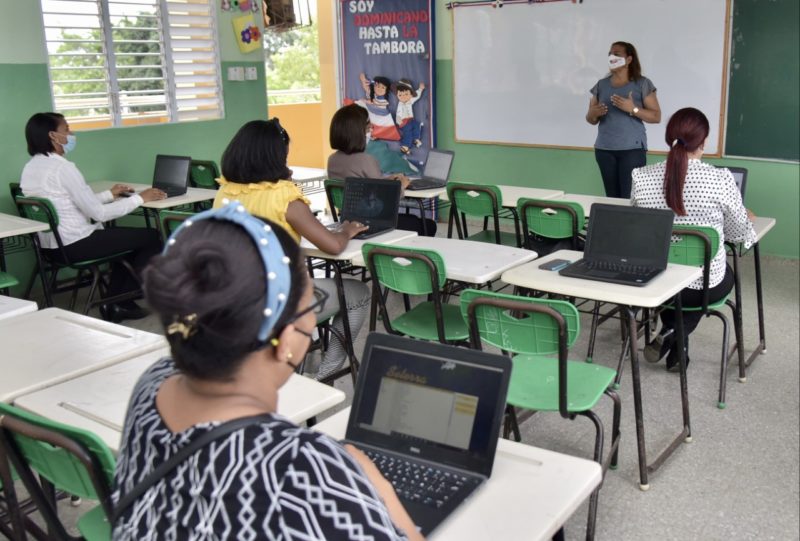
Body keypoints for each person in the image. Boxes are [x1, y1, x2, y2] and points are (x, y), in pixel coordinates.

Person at [112, 204, 423, 540]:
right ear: (286, 340)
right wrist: (377, 488)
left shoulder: (154, 381)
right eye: (313, 303)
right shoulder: (304, 469)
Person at [213, 119, 370, 381]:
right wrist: (346, 231)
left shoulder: (225, 191)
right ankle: (326, 372)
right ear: (277, 155)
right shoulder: (284, 197)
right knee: (358, 292)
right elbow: (332, 247)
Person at [632, 107, 756, 371]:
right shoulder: (720, 179)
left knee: (675, 282)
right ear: (703, 142)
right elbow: (738, 235)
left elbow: (638, 227)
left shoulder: (641, 177)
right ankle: (673, 334)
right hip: (702, 288)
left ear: (669, 138)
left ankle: (673, 340)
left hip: (656, 282)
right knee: (720, 274)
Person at [20, 112, 166, 322]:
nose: (71, 133)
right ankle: (119, 301)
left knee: (122, 239)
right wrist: (140, 199)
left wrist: (110, 194)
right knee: (151, 236)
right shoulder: (63, 168)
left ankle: (118, 299)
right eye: (67, 129)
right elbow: (98, 214)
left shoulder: (32, 167)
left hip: (51, 248)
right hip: (76, 244)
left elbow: (68, 202)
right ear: (53, 136)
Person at [327, 104, 437, 236]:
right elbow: (384, 201)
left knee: (412, 221)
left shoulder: (332, 160)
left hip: (347, 223)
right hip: (372, 223)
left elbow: (362, 185)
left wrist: (386, 181)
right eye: (368, 129)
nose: (370, 133)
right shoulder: (366, 160)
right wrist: (401, 185)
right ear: (358, 133)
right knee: (428, 225)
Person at [586, 41, 661, 199]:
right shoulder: (601, 85)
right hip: (604, 150)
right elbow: (591, 119)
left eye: (617, 54)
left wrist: (632, 109)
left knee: (629, 198)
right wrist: (593, 113)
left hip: (632, 150)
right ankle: (613, 224)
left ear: (628, 59)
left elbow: (656, 116)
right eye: (610, 54)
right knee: (612, 197)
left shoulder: (642, 83)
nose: (612, 57)